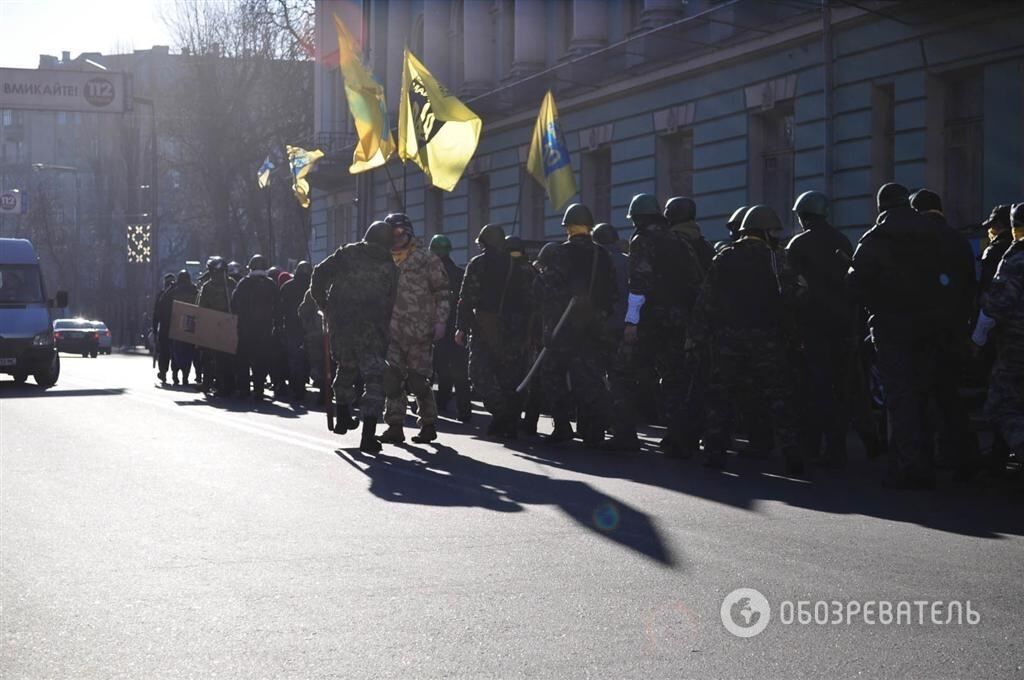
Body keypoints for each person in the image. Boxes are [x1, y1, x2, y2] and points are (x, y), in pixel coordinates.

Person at [847, 183, 950, 488]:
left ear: (881, 207)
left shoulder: (876, 237)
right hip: (931, 325)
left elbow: (855, 285)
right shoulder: (934, 232)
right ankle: (927, 464)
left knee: (899, 398)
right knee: (924, 394)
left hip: (891, 328)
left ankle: (906, 468)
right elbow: (949, 275)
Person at [691, 204, 806, 474]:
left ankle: (715, 453)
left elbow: (705, 301)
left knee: (721, 397)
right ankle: (792, 455)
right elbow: (793, 299)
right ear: (766, 231)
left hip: (728, 338)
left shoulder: (725, 257)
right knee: (778, 397)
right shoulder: (777, 258)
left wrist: (696, 337)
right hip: (767, 338)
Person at [606, 193, 706, 456]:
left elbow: (639, 283)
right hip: (678, 320)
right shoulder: (680, 241)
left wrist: (631, 322)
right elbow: (696, 282)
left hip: (649, 320)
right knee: (674, 379)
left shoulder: (642, 240)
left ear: (638, 218)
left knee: (621, 373)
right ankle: (679, 439)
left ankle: (625, 434)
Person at [310, 221, 398, 452]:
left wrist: (324, 304)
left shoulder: (347, 253)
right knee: (374, 380)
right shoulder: (389, 266)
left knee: (346, 369)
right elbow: (392, 300)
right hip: (372, 330)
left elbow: (318, 274)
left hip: (342, 325)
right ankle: (368, 435)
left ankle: (342, 417)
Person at [910, 188, 979, 477]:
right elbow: (970, 286)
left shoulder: (917, 240)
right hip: (955, 328)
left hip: (925, 329)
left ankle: (928, 457)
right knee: (950, 395)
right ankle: (963, 455)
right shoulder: (959, 239)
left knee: (922, 396)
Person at [536, 204, 617, 446]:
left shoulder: (562, 253)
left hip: (564, 328)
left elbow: (547, 293)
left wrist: (548, 329)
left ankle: (562, 426)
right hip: (593, 327)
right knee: (590, 378)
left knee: (553, 375)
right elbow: (612, 293)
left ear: (569, 227)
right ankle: (595, 430)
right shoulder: (602, 255)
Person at [786, 190, 857, 466]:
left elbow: (792, 289)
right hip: (841, 325)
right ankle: (837, 446)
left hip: (810, 325)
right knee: (839, 387)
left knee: (812, 387)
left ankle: (812, 444)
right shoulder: (843, 240)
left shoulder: (798, 244)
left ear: (804, 216)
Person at [377, 213, 450, 445]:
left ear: (408, 232)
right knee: (391, 379)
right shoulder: (383, 260)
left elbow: (442, 292)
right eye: (392, 234)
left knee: (418, 381)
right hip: (391, 331)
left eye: (400, 233)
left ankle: (428, 424)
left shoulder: (426, 258)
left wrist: (440, 322)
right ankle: (395, 426)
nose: (397, 239)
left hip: (420, 331)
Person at [456, 224, 532, 439]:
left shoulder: (478, 264)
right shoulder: (520, 266)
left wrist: (461, 327)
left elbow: (466, 298)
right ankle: (508, 419)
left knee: (479, 374)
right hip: (514, 330)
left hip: (484, 327)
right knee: (509, 377)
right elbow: (532, 300)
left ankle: (502, 415)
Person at [974, 203, 1024, 465]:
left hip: (1015, 346)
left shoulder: (1015, 258)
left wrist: (977, 339)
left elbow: (997, 306)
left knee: (1000, 405)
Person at [430, 234, 473, 422]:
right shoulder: (459, 273)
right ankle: (464, 409)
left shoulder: (427, 274)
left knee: (435, 368)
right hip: (456, 327)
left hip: (435, 327)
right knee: (459, 371)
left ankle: (438, 404)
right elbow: (466, 301)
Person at [230, 254, 280, 401]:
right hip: (265, 330)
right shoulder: (271, 284)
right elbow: (278, 307)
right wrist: (276, 325)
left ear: (250, 267)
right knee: (261, 360)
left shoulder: (244, 283)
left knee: (243, 360)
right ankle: (259, 390)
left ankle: (244, 389)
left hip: (245, 329)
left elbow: (234, 303)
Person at [196, 256, 235, 396]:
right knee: (223, 356)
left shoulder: (209, 286)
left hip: (214, 324)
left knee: (208, 356)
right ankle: (219, 383)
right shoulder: (232, 284)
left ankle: (210, 383)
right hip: (227, 324)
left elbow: (201, 307)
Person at [279, 261, 312, 402]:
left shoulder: (288, 287)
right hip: (311, 329)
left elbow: (280, 308)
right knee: (309, 358)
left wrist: (279, 324)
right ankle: (303, 385)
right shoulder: (313, 287)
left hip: (293, 328)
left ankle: (297, 387)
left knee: (295, 359)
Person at [168, 270, 198, 386]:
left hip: (176, 325)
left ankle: (175, 375)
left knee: (176, 352)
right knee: (188, 353)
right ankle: (185, 376)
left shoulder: (173, 291)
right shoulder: (194, 290)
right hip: (190, 326)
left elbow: (166, 308)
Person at [152, 272, 176, 383]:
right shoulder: (176, 293)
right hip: (175, 328)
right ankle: (174, 374)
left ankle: (163, 372)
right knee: (174, 351)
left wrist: (154, 327)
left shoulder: (162, 295)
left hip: (165, 328)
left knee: (164, 352)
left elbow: (156, 313)